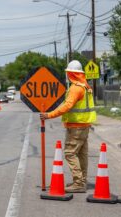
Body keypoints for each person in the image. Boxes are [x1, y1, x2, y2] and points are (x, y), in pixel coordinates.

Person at [40, 60, 96, 193]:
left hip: (76, 126)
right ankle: (82, 181)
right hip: (84, 125)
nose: (67, 75)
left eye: (68, 73)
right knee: (81, 154)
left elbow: (67, 106)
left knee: (70, 153)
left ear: (72, 73)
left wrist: (49, 115)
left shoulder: (76, 88)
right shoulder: (85, 86)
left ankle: (78, 182)